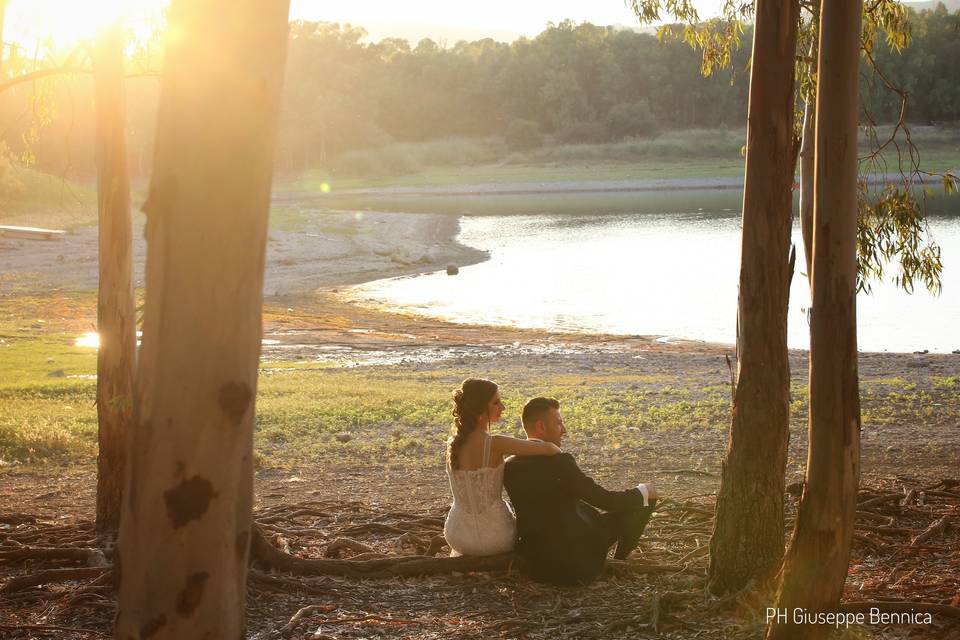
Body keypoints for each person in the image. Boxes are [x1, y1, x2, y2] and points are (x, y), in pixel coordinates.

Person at [503, 397, 658, 585]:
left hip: (537, 564)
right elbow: (605, 500)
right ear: (540, 427)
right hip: (576, 565)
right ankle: (621, 560)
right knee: (645, 498)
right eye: (559, 423)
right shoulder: (560, 462)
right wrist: (642, 491)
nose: (564, 430)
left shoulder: (510, 464)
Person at [443, 378, 561, 556]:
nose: (502, 407)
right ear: (480, 408)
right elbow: (550, 448)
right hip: (496, 537)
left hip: (457, 536)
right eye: (496, 402)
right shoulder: (495, 443)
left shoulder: (453, 443)